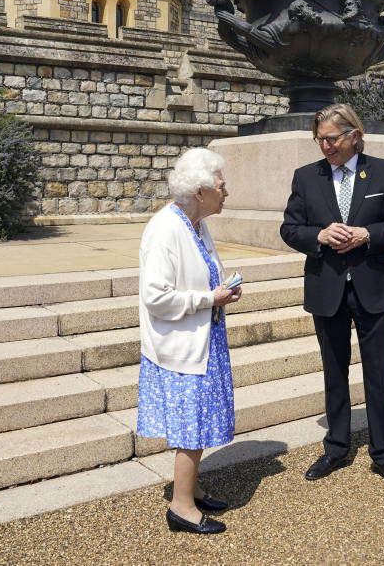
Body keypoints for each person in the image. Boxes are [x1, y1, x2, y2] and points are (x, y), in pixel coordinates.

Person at [280, 103, 384, 491]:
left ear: (354, 135)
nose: (325, 146)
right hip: (327, 288)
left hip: (373, 286)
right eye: (319, 139)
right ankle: (336, 447)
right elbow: (290, 229)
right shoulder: (306, 177)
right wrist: (318, 236)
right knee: (333, 373)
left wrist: (368, 235)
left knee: (378, 375)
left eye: (332, 138)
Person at [136, 147, 242, 535]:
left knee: (196, 423)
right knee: (191, 427)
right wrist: (209, 299)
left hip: (203, 339)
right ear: (200, 191)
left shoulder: (194, 222)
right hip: (181, 348)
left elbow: (198, 275)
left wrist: (221, 291)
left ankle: (190, 488)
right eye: (221, 184)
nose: (226, 191)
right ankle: (181, 509)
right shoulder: (165, 228)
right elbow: (156, 297)